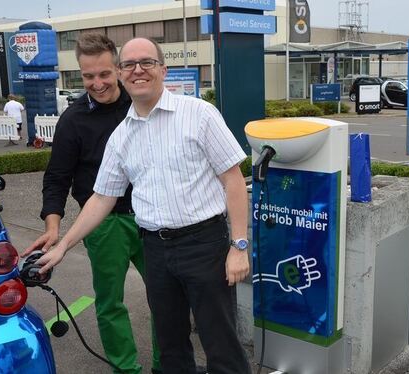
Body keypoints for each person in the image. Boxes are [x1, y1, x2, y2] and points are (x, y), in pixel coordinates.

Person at [33, 37, 251, 374]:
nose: (138, 70)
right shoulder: (122, 136)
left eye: (147, 62)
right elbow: (102, 197)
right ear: (122, 74)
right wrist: (62, 245)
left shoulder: (199, 114)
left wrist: (239, 245)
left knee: (219, 340)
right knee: (171, 344)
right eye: (130, 65)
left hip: (204, 243)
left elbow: (234, 181)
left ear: (163, 69)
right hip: (156, 248)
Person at [21, 32, 163, 374]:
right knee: (110, 303)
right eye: (88, 76)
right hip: (103, 223)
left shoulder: (142, 104)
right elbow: (57, 177)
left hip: (153, 219)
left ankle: (168, 363)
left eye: (103, 74)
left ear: (116, 69)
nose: (97, 83)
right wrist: (53, 227)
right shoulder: (73, 119)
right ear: (80, 75)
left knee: (165, 298)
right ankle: (126, 369)